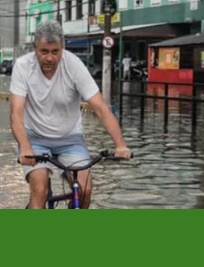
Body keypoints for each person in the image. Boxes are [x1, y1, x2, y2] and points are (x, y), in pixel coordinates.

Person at [11, 22, 132, 209]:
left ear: (63, 49)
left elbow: (100, 107)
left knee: (85, 190)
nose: (49, 58)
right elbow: (16, 114)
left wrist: (120, 144)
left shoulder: (74, 65)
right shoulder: (23, 66)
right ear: (34, 49)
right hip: (34, 138)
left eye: (55, 52)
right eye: (44, 51)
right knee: (40, 188)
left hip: (70, 139)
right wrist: (25, 148)